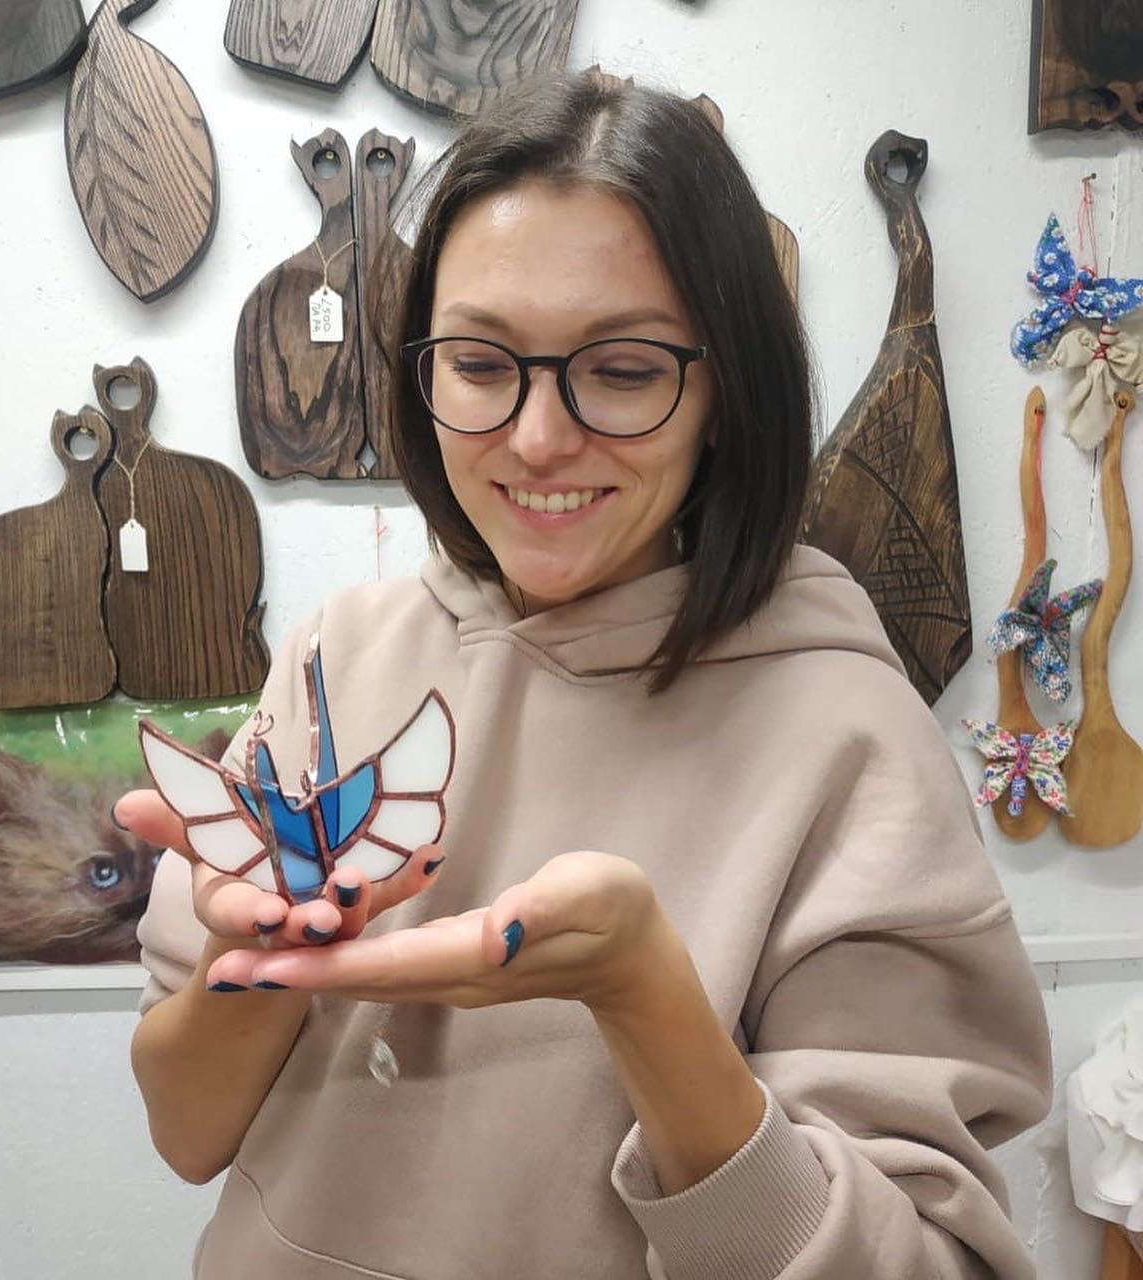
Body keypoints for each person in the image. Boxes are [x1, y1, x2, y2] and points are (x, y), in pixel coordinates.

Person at [119, 70, 1052, 1280]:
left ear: (724, 392)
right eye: (479, 362)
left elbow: (923, 1260)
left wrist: (644, 996)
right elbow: (187, 1132)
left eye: (621, 370)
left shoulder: (845, 732)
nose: (538, 438)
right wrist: (262, 964)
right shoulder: (334, 656)